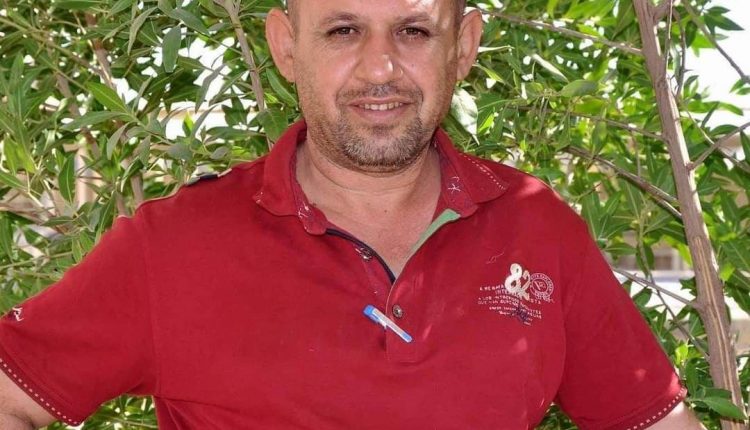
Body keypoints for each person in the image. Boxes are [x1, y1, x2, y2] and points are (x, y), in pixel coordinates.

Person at [0, 0, 706, 428]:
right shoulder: (175, 245)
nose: (379, 69)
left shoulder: (535, 227)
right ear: (286, 47)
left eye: (414, 32)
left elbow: (651, 421)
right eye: (342, 31)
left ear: (463, 47)